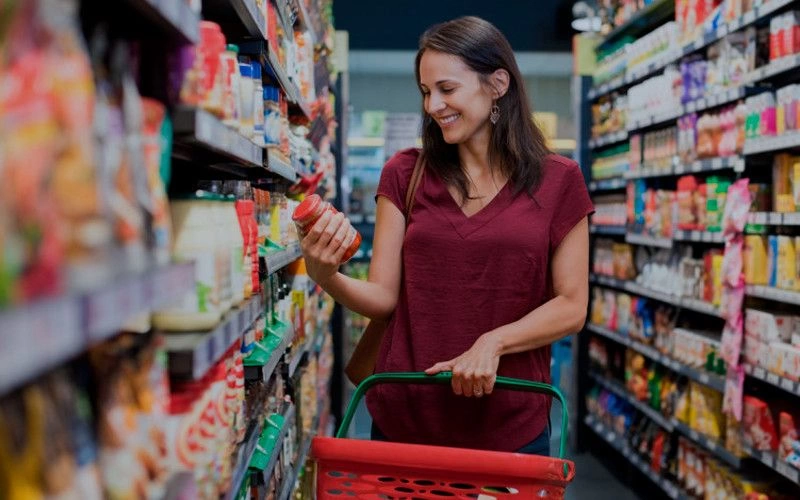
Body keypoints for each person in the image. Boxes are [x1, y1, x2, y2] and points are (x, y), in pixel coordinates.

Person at [298, 16, 593, 456]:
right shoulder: (405, 173)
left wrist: (493, 343)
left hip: (510, 420)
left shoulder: (558, 180)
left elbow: (572, 305)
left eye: (447, 89)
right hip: (408, 417)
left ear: (497, 84)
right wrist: (327, 276)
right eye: (425, 92)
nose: (433, 105)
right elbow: (383, 297)